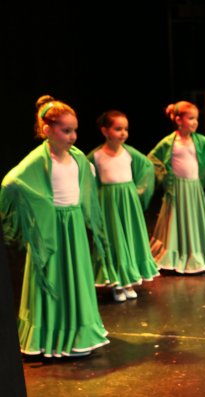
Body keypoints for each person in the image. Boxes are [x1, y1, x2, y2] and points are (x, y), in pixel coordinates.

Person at [0, 95, 109, 357]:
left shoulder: (77, 157)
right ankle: (50, 334)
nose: (73, 136)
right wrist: (40, 207)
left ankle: (79, 330)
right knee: (53, 277)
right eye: (66, 130)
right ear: (48, 130)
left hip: (73, 226)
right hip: (53, 227)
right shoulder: (39, 159)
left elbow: (85, 182)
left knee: (76, 277)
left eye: (75, 130)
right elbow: (11, 182)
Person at [87, 110, 159, 302]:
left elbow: (147, 167)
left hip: (127, 202)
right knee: (114, 242)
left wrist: (138, 191)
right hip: (109, 204)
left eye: (125, 129)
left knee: (128, 238)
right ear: (105, 131)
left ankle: (129, 280)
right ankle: (117, 283)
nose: (123, 133)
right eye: (118, 129)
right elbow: (86, 180)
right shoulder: (96, 156)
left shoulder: (129, 152)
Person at [149, 100, 205, 273]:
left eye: (196, 119)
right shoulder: (170, 142)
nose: (195, 122)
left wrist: (202, 175)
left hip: (193, 188)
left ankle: (197, 253)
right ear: (178, 120)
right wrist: (166, 177)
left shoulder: (198, 140)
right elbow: (153, 159)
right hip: (177, 189)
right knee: (175, 222)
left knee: (194, 220)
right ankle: (175, 255)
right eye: (191, 118)